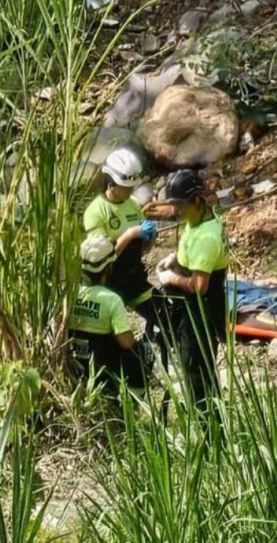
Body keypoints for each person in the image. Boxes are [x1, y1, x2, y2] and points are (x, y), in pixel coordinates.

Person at [156, 169, 229, 411]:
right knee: (193, 370)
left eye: (178, 205)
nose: (174, 211)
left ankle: (211, 431)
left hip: (201, 312)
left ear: (197, 201)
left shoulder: (207, 238)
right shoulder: (199, 219)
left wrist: (171, 277)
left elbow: (199, 286)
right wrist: (175, 257)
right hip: (191, 308)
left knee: (197, 372)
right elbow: (191, 244)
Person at [83, 148, 162, 338]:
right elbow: (99, 262)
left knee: (165, 314)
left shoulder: (133, 204)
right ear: (110, 183)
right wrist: (129, 234)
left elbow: (143, 250)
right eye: (125, 187)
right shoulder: (96, 212)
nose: (130, 191)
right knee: (111, 338)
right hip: (108, 282)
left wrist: (149, 237)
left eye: (132, 187)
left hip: (133, 278)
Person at [68, 234, 153, 394]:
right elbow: (125, 342)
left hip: (74, 363)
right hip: (102, 368)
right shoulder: (111, 300)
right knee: (142, 351)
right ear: (109, 267)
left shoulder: (69, 294)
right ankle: (133, 399)